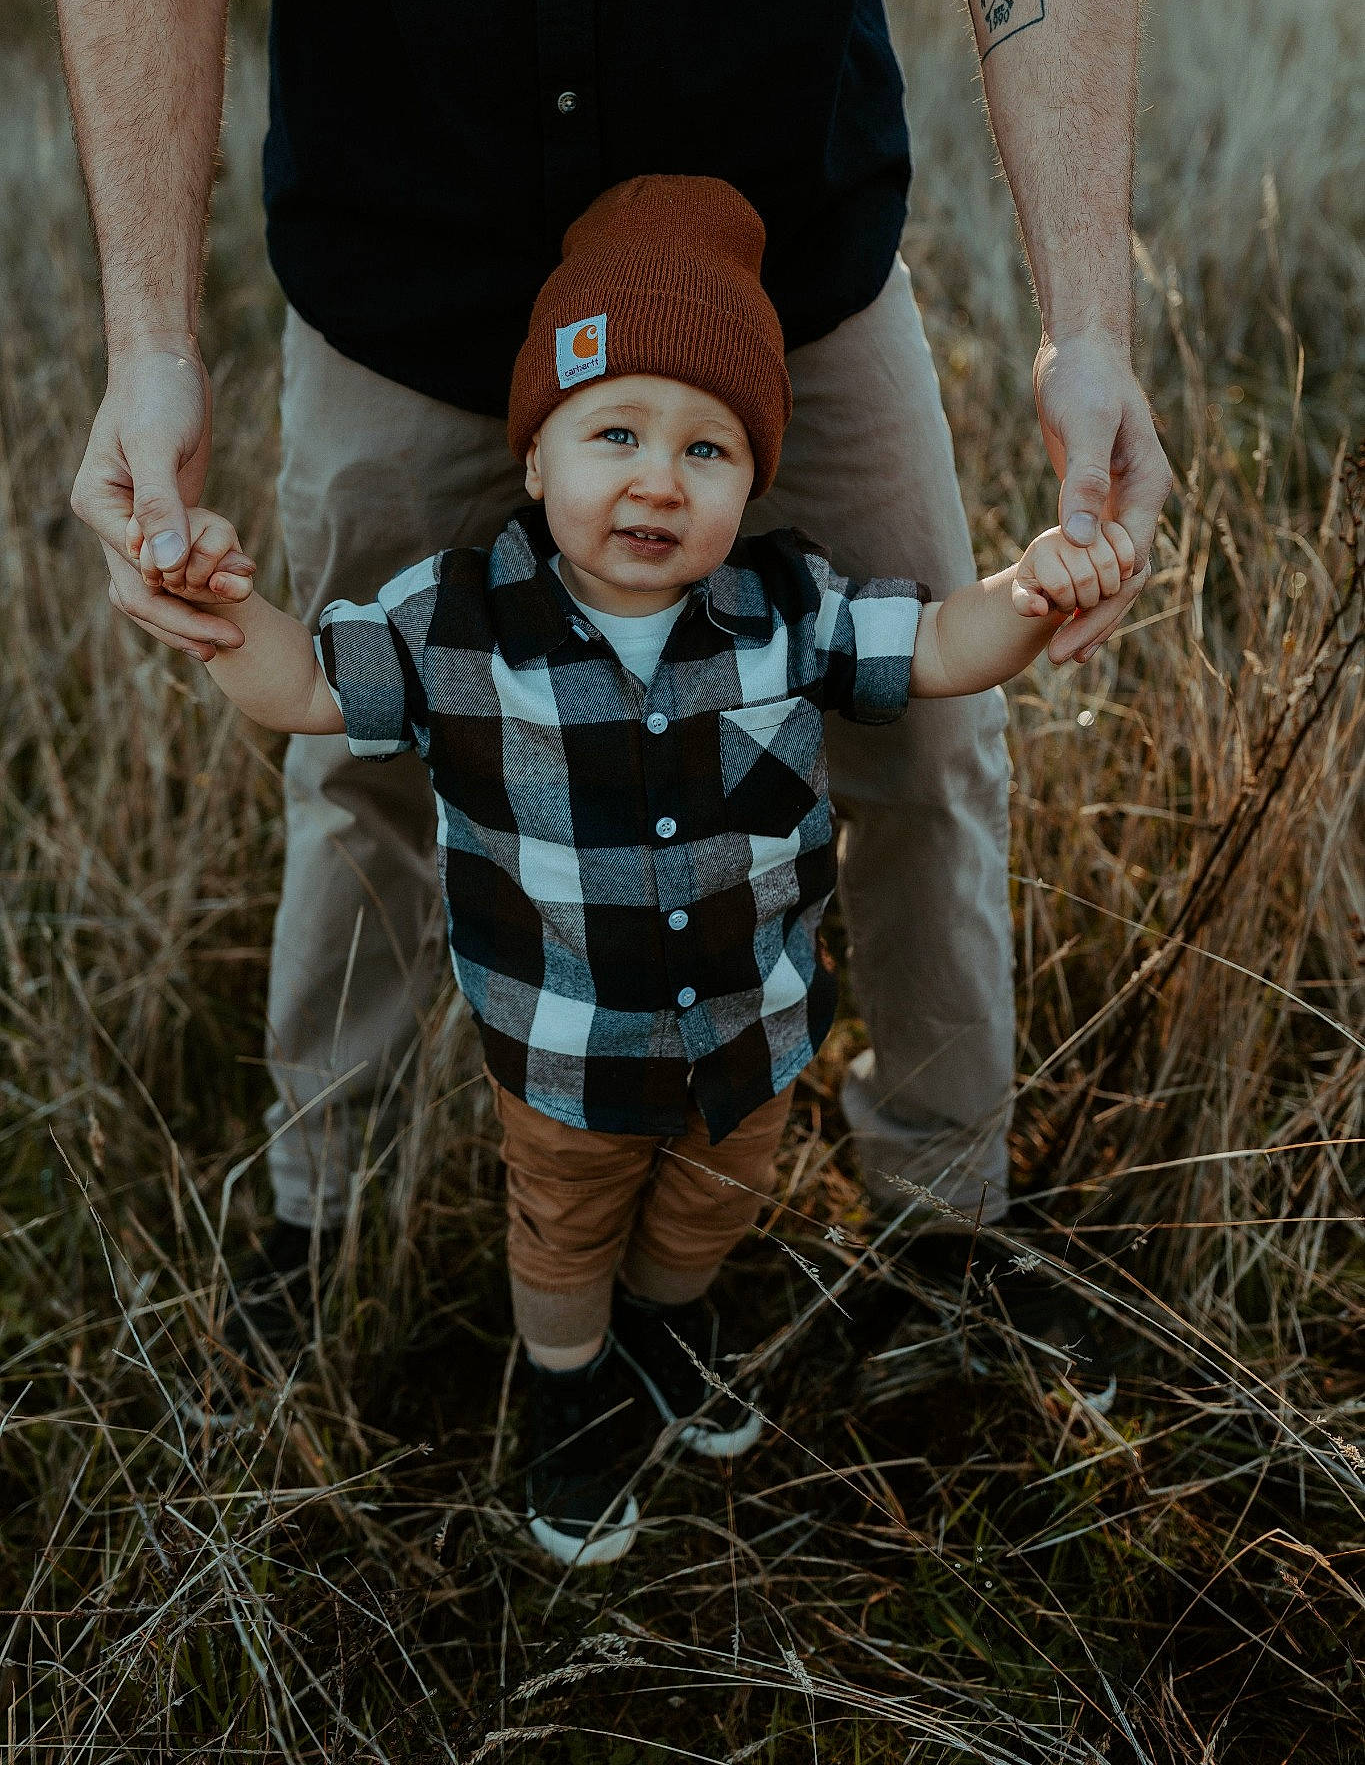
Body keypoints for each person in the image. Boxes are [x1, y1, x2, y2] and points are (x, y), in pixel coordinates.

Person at [30, 0, 1171, 1353]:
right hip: (403, 278)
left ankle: (942, 1213)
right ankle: (321, 1215)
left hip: (784, 299)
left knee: (931, 749)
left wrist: (1089, 328)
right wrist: (150, 339)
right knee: (360, 772)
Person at [133, 174, 1143, 1563]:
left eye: (707, 450)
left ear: (753, 481)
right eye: (613, 433)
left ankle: (668, 1331)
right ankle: (568, 1391)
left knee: (706, 1212)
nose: (658, 479)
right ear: (535, 461)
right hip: (562, 1053)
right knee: (560, 1232)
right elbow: (305, 687)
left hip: (750, 1034)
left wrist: (1027, 599)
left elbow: (938, 654)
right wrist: (218, 605)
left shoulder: (788, 610)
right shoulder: (457, 623)